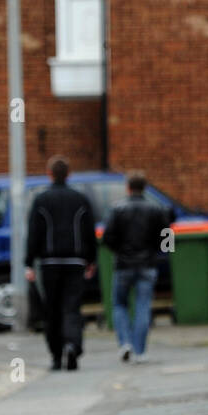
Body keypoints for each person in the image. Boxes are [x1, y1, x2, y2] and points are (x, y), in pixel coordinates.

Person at [24, 156, 97, 371]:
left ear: (49, 174)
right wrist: (90, 260)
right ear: (69, 174)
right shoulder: (80, 199)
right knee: (72, 307)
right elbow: (89, 232)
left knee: (52, 309)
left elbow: (34, 233)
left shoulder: (41, 200)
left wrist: (29, 262)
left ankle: (56, 356)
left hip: (49, 263)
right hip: (75, 262)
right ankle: (73, 345)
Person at [101, 171, 174, 362]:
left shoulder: (117, 209)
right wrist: (159, 252)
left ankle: (125, 342)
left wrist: (119, 251)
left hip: (123, 265)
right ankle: (140, 351)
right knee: (143, 306)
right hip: (147, 264)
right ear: (144, 188)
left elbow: (107, 237)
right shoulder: (155, 209)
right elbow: (167, 237)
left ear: (128, 188)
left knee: (119, 304)